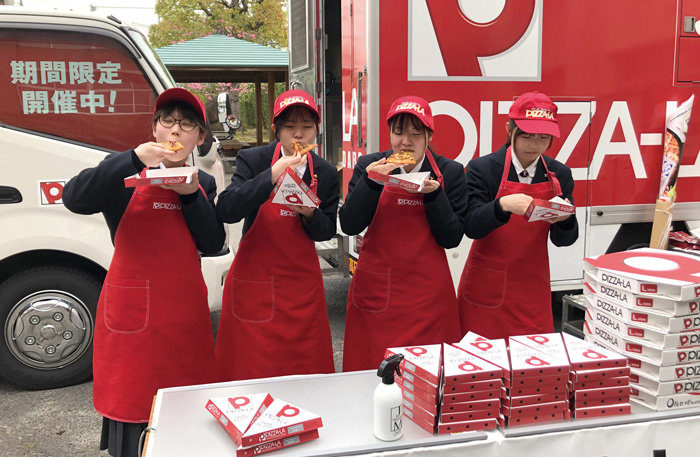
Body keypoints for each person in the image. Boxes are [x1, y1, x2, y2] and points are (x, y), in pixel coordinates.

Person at [62, 87, 224, 457]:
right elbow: (74, 198)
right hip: (132, 322)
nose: (175, 132)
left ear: (199, 138)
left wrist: (189, 194)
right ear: (154, 130)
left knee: (184, 414)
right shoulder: (120, 173)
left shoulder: (205, 184)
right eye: (168, 122)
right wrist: (132, 159)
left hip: (183, 321)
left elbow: (213, 242)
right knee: (133, 409)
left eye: (187, 125)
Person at [215, 89, 337, 380]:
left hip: (301, 290)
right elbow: (227, 209)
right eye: (290, 127)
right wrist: (272, 174)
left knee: (303, 374)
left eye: (307, 127)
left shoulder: (326, 172)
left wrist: (309, 211)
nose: (299, 135)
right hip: (254, 286)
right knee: (252, 371)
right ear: (276, 129)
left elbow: (327, 230)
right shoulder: (253, 160)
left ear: (316, 131)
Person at [340, 95, 466, 372]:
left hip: (428, 297)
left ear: (429, 136)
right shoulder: (370, 166)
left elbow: (451, 238)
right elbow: (349, 225)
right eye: (398, 132)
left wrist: (435, 197)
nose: (406, 141)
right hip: (376, 293)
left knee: (429, 378)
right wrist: (371, 183)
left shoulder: (450, 172)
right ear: (389, 134)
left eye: (415, 133)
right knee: (370, 375)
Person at [457, 91, 578, 339]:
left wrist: (565, 219)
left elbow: (564, 240)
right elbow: (471, 226)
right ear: (509, 129)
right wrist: (501, 206)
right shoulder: (483, 169)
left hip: (532, 286)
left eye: (544, 137)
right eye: (526, 136)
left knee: (532, 364)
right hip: (485, 285)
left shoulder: (559, 174)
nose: (534, 145)